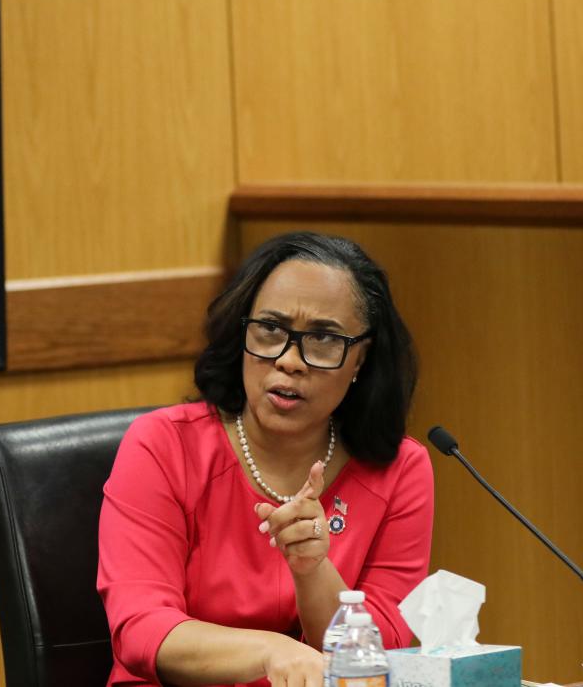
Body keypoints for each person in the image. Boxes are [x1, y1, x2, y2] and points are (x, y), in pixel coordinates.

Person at [98, 232, 433, 687]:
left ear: (361, 359)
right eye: (270, 330)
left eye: (323, 339)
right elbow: (141, 630)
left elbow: (385, 648)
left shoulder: (399, 468)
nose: (289, 360)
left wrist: (314, 570)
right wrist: (272, 652)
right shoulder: (163, 446)